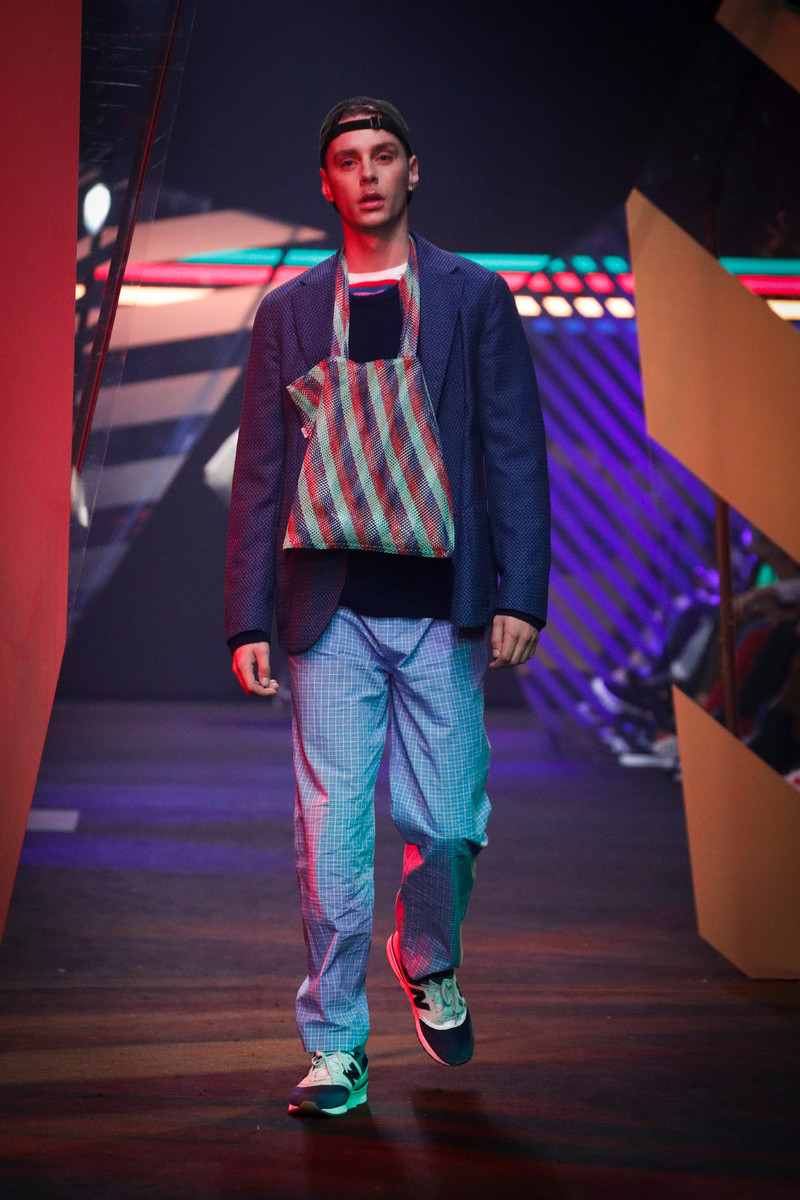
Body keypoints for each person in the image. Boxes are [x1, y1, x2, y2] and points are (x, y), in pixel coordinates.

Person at [225, 96, 550, 1117]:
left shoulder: (472, 297)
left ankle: (426, 954)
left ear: (413, 171)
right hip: (328, 611)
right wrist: (246, 618)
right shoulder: (287, 312)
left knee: (447, 823)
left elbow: (513, 449)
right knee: (330, 840)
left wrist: (522, 592)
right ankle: (335, 1045)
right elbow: (261, 473)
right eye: (347, 159)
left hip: (445, 608)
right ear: (325, 183)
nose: (365, 173)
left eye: (382, 155)